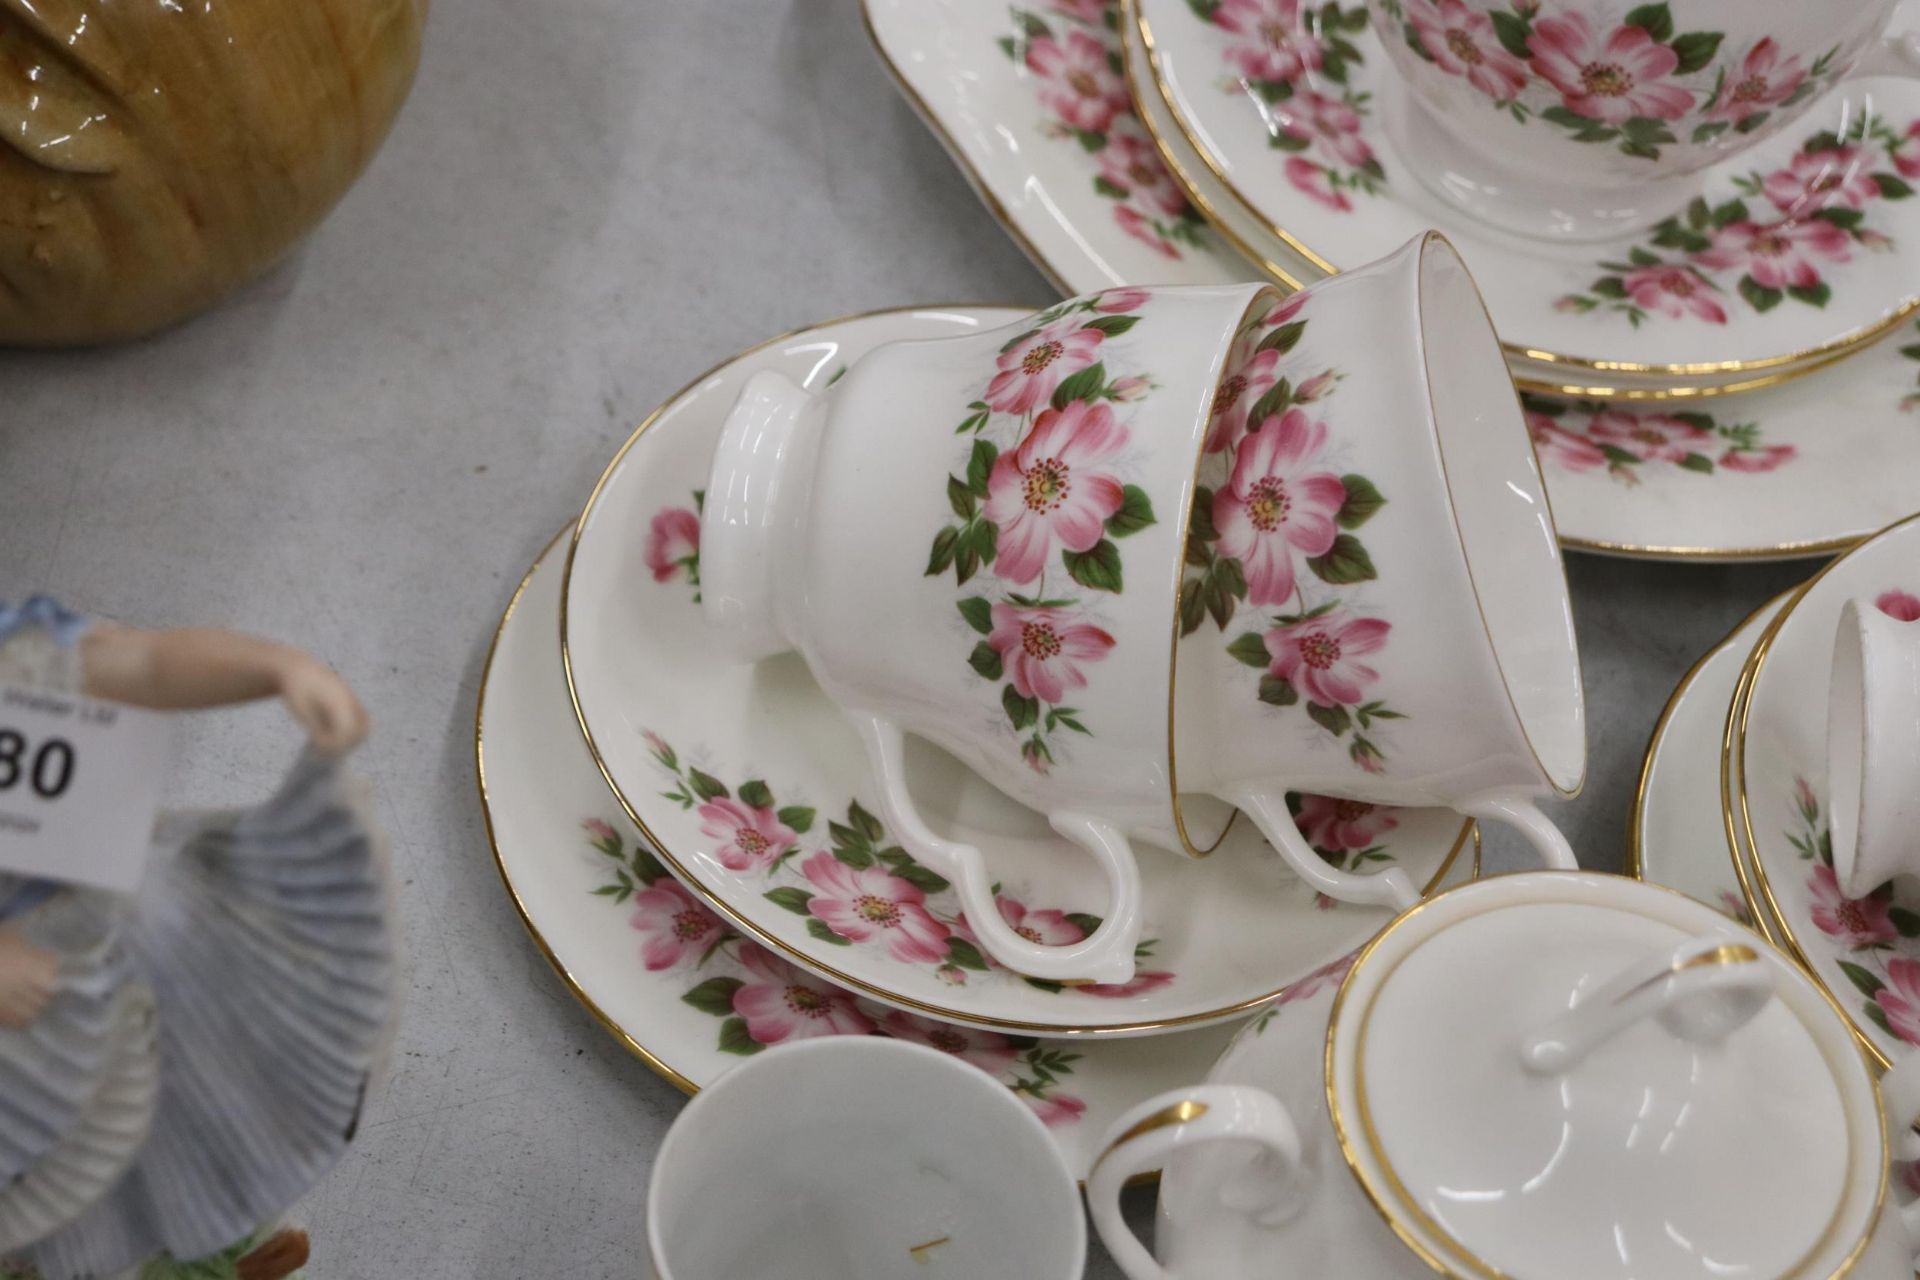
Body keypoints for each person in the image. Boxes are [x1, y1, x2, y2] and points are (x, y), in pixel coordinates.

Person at [0, 596, 391, 1280]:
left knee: (195, 1111)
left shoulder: (17, 650)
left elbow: (144, 665)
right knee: (50, 1198)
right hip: (22, 1049)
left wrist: (279, 668)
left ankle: (224, 1242)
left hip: (115, 947)